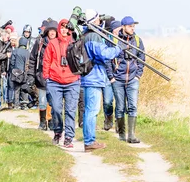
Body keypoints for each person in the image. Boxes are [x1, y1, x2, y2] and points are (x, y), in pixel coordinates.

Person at [81, 9, 123, 151]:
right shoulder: (93, 36)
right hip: (93, 77)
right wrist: (118, 49)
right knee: (92, 111)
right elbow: (104, 53)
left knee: (89, 110)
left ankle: (89, 140)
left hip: (88, 76)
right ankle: (89, 142)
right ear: (95, 20)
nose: (100, 20)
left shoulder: (86, 34)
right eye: (98, 18)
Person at [43, 19, 80, 148]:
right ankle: (58, 131)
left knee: (70, 110)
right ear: (59, 29)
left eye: (66, 28)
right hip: (55, 81)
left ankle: (69, 137)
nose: (64, 30)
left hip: (72, 81)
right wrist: (46, 77)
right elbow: (47, 60)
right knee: (57, 109)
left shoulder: (75, 43)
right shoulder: (52, 43)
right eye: (62, 28)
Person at [109, 16, 145, 143]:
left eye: (133, 26)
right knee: (120, 107)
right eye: (130, 26)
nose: (133, 28)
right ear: (123, 27)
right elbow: (108, 60)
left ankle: (132, 135)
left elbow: (142, 58)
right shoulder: (114, 40)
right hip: (117, 79)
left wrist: (138, 75)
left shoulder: (137, 40)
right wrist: (111, 77)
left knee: (133, 106)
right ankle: (122, 135)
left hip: (132, 79)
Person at [28, 19, 57, 130]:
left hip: (55, 77)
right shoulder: (39, 43)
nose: (52, 33)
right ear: (47, 32)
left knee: (53, 101)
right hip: (41, 77)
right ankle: (42, 122)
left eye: (54, 30)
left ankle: (51, 121)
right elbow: (32, 59)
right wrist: (31, 75)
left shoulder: (59, 43)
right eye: (50, 30)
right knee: (42, 101)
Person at [103, 20, 123, 131]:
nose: (118, 31)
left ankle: (118, 122)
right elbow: (106, 59)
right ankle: (108, 117)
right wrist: (111, 76)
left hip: (120, 75)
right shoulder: (107, 41)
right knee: (107, 101)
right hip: (108, 76)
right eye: (117, 29)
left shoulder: (124, 41)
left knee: (120, 101)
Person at [9, 36, 31, 109]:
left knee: (16, 89)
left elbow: (12, 62)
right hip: (24, 73)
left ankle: (16, 105)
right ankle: (24, 104)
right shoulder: (27, 52)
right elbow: (28, 64)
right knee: (24, 89)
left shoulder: (15, 51)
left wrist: (12, 70)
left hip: (15, 73)